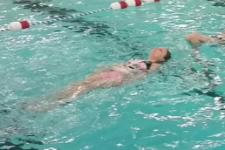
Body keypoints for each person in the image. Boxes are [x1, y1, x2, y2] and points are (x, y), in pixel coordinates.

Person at [30, 47, 171, 110]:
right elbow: (122, 65)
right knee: (76, 84)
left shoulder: (154, 66)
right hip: (112, 72)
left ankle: (50, 106)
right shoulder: (141, 59)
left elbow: (140, 77)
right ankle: (41, 99)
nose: (157, 48)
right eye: (158, 47)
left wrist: (125, 82)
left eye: (161, 50)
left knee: (85, 88)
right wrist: (103, 69)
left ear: (163, 59)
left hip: (118, 78)